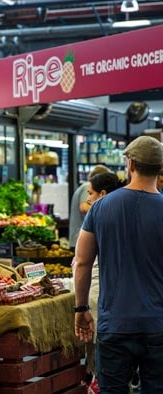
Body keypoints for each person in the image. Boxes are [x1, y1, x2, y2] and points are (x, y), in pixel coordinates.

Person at [74, 136, 163, 394]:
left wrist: (81, 308)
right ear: (159, 168)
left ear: (131, 164)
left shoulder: (100, 207)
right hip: (157, 325)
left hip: (114, 324)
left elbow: (82, 263)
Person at [75, 171, 123, 394]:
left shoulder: (99, 214)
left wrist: (81, 307)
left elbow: (84, 263)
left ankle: (95, 381)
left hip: (103, 304)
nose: (87, 199)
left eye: (91, 193)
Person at [68, 164, 110, 248]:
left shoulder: (85, 187)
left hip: (79, 239)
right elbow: (84, 207)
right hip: (81, 240)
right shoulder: (87, 187)